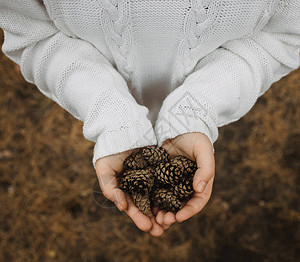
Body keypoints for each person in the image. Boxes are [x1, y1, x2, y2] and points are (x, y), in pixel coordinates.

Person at [0, 0, 299, 237]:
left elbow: (286, 35)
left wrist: (201, 106)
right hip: (94, 89)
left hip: (216, 94)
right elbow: (29, 30)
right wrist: (108, 113)